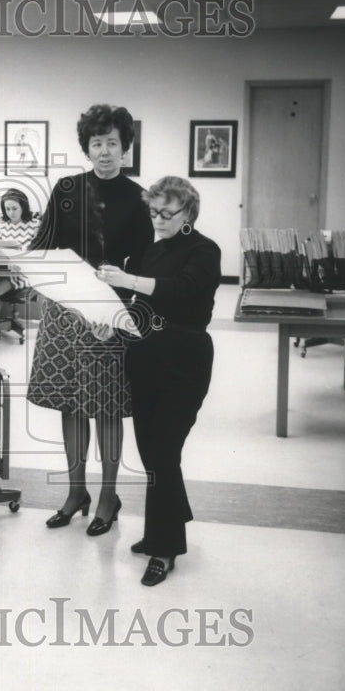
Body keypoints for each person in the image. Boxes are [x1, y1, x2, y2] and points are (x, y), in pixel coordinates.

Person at [27, 103, 153, 534]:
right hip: (66, 311)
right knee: (70, 403)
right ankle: (76, 490)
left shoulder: (139, 198)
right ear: (87, 147)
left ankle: (107, 496)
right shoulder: (65, 189)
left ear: (125, 148)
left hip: (110, 313)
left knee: (107, 408)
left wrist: (117, 312)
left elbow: (144, 266)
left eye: (112, 143)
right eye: (97, 143)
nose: (104, 151)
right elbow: (40, 248)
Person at [97, 176, 221, 586]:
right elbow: (141, 308)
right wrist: (113, 324)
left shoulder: (205, 251)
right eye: (153, 211)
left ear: (188, 212)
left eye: (167, 212)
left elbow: (181, 291)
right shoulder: (150, 251)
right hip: (145, 356)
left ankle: (165, 548)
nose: (158, 219)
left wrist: (128, 280)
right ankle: (161, 527)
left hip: (184, 361)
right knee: (152, 455)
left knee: (165, 453)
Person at [0, 188, 40, 340]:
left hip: (23, 272)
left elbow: (36, 252)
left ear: (23, 207)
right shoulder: (4, 226)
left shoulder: (34, 225)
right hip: (4, 269)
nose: (11, 213)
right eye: (7, 209)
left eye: (14, 208)